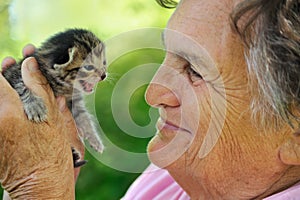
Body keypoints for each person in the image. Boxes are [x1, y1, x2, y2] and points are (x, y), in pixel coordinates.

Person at [1, 0, 300, 199]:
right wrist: (54, 177)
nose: (152, 93)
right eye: (166, 54)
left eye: (194, 70)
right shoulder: (177, 174)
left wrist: (36, 186)